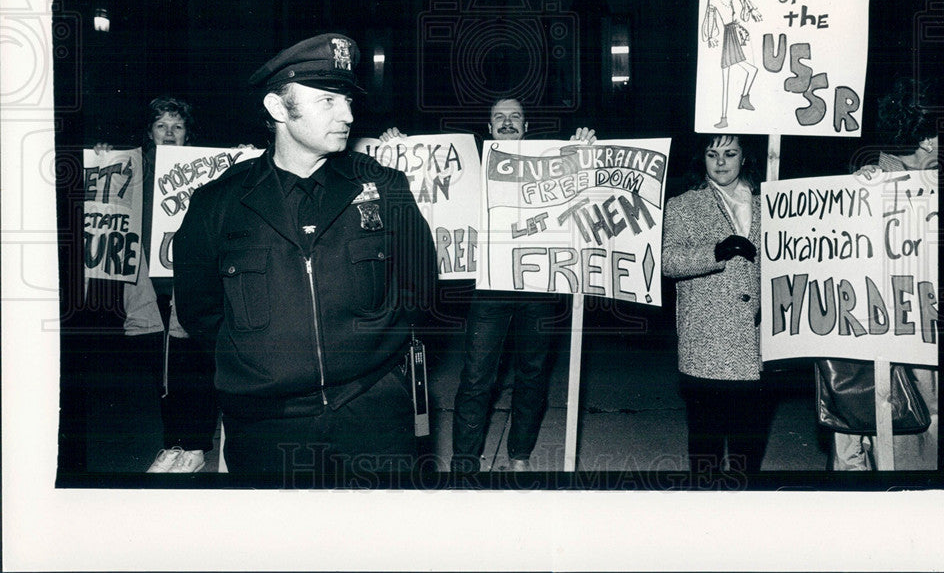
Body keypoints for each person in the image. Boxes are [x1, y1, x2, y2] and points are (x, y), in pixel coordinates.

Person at [173, 33, 437, 478]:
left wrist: (377, 369)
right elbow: (201, 310)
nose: (348, 115)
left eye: (348, 100)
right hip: (264, 425)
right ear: (278, 109)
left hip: (372, 416)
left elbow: (419, 287)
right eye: (327, 102)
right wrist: (260, 364)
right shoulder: (218, 203)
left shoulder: (384, 188)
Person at [381, 98, 595, 472]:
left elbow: (588, 189)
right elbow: (429, 178)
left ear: (526, 126)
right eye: (500, 117)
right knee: (477, 376)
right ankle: (465, 460)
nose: (508, 122)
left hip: (540, 285)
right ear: (490, 126)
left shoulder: (555, 161)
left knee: (532, 374)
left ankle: (520, 455)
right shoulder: (472, 163)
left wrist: (586, 148)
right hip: (490, 287)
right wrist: (400, 148)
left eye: (515, 117)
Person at [91, 96, 218, 473]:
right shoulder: (135, 166)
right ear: (149, 132)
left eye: (177, 126)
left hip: (190, 278)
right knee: (157, 368)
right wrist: (103, 160)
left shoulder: (203, 166)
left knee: (193, 364)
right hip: (146, 282)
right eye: (161, 125)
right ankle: (172, 445)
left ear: (187, 134)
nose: (169, 133)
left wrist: (238, 156)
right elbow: (107, 202)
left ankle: (196, 447)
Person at [823, 78, 939, 471]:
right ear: (927, 139)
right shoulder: (869, 181)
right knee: (868, 438)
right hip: (879, 333)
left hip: (927, 326)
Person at [661, 134, 770, 474]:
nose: (721, 162)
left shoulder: (770, 202)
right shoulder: (684, 204)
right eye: (712, 154)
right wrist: (715, 253)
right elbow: (667, 260)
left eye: (730, 153)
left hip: (755, 340)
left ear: (744, 157)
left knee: (747, 445)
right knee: (705, 444)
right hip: (706, 339)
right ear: (702, 158)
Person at [701, 0, 762, 129]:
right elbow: (709, 18)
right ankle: (724, 117)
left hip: (737, 33)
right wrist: (709, 36)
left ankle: (744, 99)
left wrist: (753, 10)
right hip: (728, 36)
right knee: (725, 78)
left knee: (752, 70)